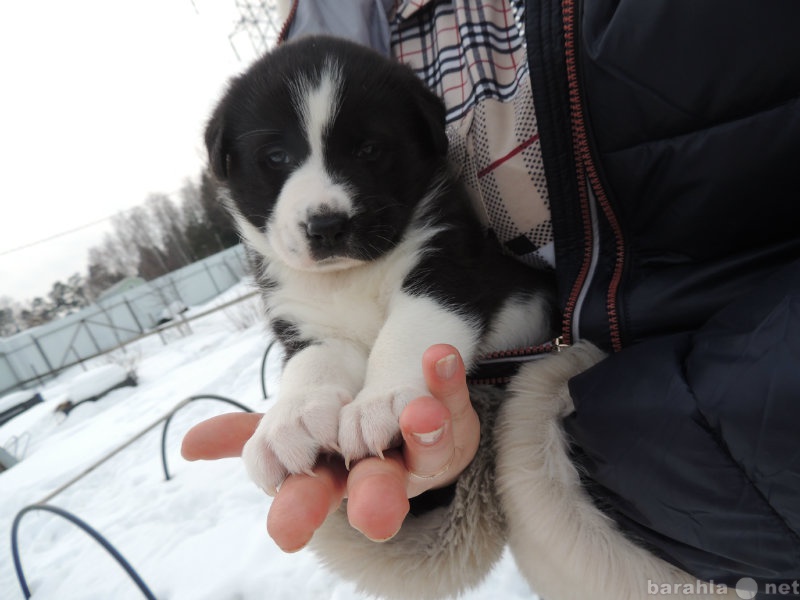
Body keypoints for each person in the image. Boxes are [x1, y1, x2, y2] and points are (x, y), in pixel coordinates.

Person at [183, 0, 800, 598]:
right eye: (275, 158)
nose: (324, 203)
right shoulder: (346, 22)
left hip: (724, 446)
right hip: (596, 517)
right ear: (227, 163)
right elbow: (323, 343)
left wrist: (399, 378)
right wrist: (311, 398)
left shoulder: (427, 216)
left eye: (368, 151)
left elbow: (443, 295)